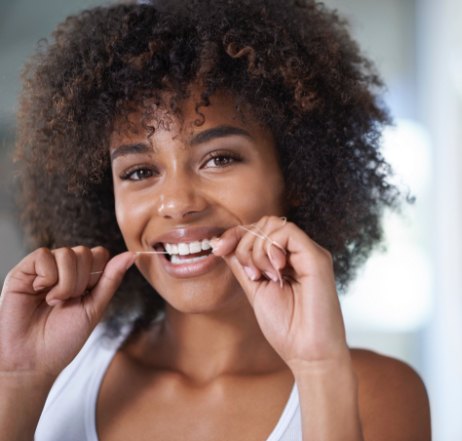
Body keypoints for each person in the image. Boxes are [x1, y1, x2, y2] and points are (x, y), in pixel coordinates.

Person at [0, 0, 431, 440]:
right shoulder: (55, 373)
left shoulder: (375, 391)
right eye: (139, 172)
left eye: (219, 158)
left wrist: (318, 367)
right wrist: (19, 381)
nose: (176, 203)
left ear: (296, 175)